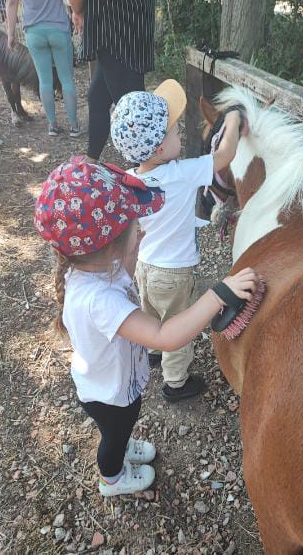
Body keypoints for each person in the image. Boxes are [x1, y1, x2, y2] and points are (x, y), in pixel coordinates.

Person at [34, 157, 258, 496]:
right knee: (114, 435)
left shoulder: (91, 268)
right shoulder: (102, 301)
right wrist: (218, 295)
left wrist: (130, 247)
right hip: (109, 396)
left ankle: (122, 447)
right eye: (134, 226)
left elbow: (125, 270)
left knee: (121, 428)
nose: (142, 230)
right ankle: (112, 478)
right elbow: (164, 336)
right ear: (110, 245)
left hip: (109, 384)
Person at [110, 79, 245, 402]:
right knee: (178, 325)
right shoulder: (182, 173)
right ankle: (176, 382)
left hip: (145, 265)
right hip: (175, 272)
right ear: (159, 147)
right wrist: (235, 117)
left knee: (150, 312)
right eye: (174, 131)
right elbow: (225, 155)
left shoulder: (132, 180)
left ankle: (153, 351)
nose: (181, 134)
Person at [66, 0, 154, 162]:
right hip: (132, 20)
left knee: (131, 112)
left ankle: (147, 173)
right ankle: (91, 159)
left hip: (113, 25)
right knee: (97, 98)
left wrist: (77, 11)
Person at [6, 0, 83, 137]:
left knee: (44, 81)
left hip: (33, 30)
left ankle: (53, 126)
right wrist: (78, 14)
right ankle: (74, 127)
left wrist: (10, 34)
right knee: (66, 80)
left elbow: (11, 1)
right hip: (58, 27)